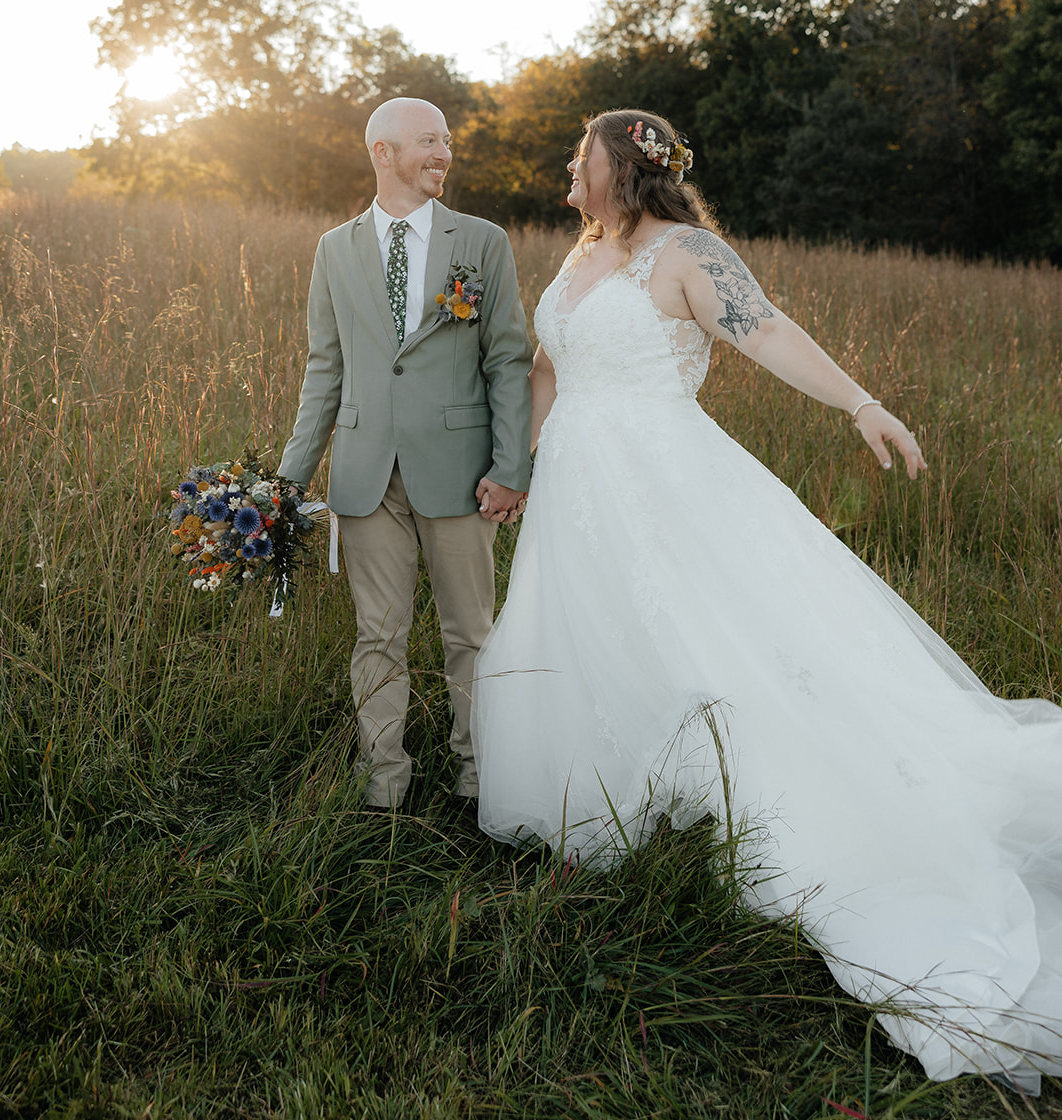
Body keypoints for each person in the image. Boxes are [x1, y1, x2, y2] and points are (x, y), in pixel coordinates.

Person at [472, 107, 1062, 1094]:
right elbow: (547, 371)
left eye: (582, 157)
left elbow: (768, 331)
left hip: (667, 487)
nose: (568, 170)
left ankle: (783, 822)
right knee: (597, 643)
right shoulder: (575, 257)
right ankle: (635, 811)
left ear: (624, 169)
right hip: (578, 490)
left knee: (711, 649)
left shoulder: (685, 253)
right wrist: (512, 472)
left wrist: (859, 403)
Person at [279, 97, 533, 809]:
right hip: (364, 476)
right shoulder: (334, 247)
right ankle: (383, 782)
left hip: (459, 473)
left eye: (446, 142)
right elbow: (323, 369)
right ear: (382, 153)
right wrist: (287, 482)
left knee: (470, 632)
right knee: (377, 635)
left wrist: (511, 467)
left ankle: (482, 776)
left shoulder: (481, 241)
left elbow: (507, 360)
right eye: (427, 141)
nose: (443, 154)